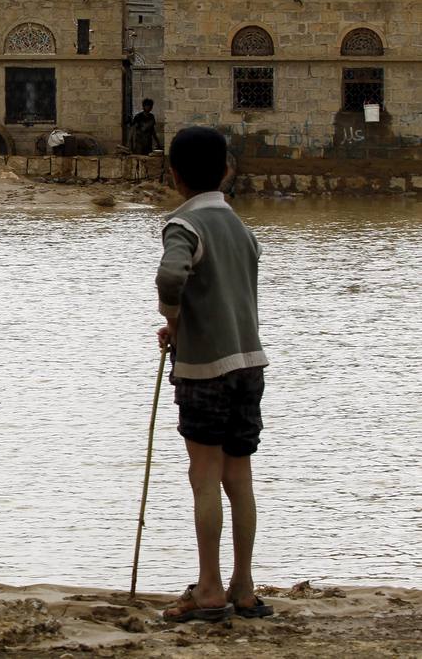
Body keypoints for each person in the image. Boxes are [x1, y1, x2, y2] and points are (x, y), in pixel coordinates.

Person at [154, 126, 271, 623]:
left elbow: (171, 275)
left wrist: (174, 322)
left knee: (203, 476)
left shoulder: (185, 224)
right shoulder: (243, 229)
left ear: (175, 176)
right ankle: (244, 587)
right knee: (238, 477)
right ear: (226, 171)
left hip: (204, 370)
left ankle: (208, 589)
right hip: (250, 364)